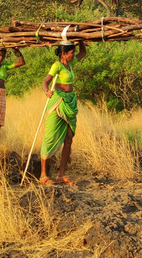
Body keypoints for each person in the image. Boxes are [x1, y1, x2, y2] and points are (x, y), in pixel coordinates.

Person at [39, 40, 86, 185]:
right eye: (71, 53)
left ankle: (61, 174)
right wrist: (47, 92)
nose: (73, 55)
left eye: (73, 53)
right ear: (64, 54)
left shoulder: (70, 65)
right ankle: (43, 175)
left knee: (69, 138)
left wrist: (80, 40)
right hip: (58, 102)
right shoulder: (57, 65)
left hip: (70, 102)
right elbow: (45, 82)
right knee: (50, 136)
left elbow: (83, 53)